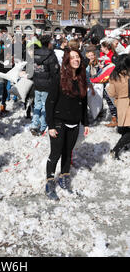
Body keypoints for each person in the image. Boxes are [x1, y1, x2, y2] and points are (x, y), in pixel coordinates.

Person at [45, 48, 89, 200]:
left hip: (74, 123)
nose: (76, 60)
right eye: (73, 58)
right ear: (67, 61)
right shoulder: (59, 78)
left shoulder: (82, 78)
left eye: (78, 57)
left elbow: (83, 102)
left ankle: (64, 179)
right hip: (59, 122)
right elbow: (50, 102)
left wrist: (86, 122)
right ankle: (49, 183)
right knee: (55, 153)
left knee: (68, 152)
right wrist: (50, 125)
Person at [29, 34, 60, 136]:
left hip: (37, 83)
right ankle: (42, 127)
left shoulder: (34, 53)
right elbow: (55, 72)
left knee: (37, 105)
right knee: (45, 106)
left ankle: (34, 125)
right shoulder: (51, 55)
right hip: (47, 85)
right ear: (48, 43)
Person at [106, 54, 130, 160]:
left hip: (120, 103)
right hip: (128, 103)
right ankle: (116, 149)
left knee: (125, 128)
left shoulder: (113, 76)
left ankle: (123, 145)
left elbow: (111, 93)